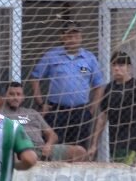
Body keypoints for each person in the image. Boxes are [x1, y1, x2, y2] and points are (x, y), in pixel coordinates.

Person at [30, 20, 105, 148]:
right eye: (69, 36)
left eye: (76, 36)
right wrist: (41, 103)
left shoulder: (89, 58)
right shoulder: (51, 56)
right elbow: (35, 78)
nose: (73, 40)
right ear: (62, 37)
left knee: (79, 148)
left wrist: (92, 107)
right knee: (54, 147)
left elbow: (99, 85)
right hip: (56, 111)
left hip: (80, 112)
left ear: (81, 37)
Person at [88, 51, 136, 165]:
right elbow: (102, 117)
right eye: (114, 65)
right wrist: (94, 144)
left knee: (125, 168)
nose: (116, 68)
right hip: (114, 140)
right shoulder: (109, 88)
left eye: (120, 65)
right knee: (118, 169)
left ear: (128, 67)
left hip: (132, 140)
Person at [2, 82, 86, 162]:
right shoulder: (0, 114)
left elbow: (52, 135)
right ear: (4, 96)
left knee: (79, 151)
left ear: (23, 97)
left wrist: (48, 145)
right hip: (19, 150)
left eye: (18, 94)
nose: (15, 98)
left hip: (41, 149)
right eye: (11, 94)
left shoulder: (32, 113)